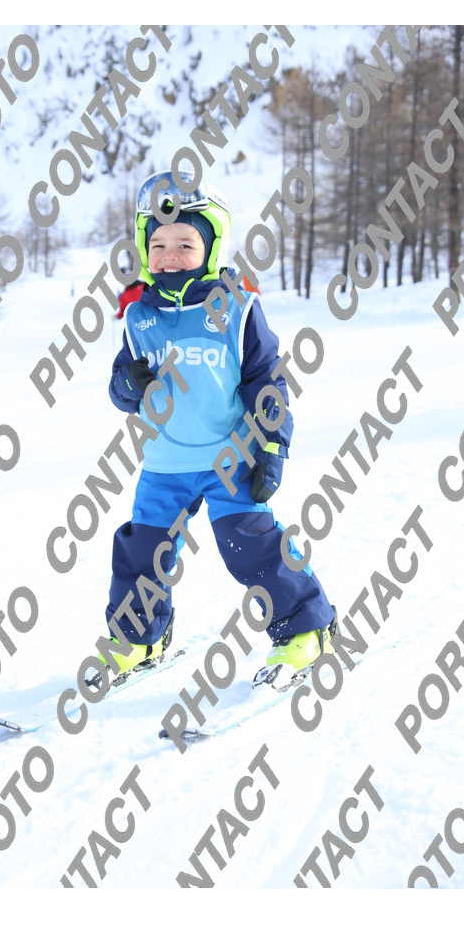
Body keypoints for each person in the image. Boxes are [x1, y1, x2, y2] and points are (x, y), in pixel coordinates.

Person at [100, 170, 335, 691]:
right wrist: (127, 384)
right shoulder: (138, 317)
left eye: (185, 244)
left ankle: (307, 629)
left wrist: (271, 445)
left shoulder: (237, 309)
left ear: (211, 249)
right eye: (158, 245)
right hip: (165, 464)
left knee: (250, 548)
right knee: (143, 553)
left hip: (231, 459)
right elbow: (121, 390)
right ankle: (140, 638)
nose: (170, 256)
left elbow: (266, 382)